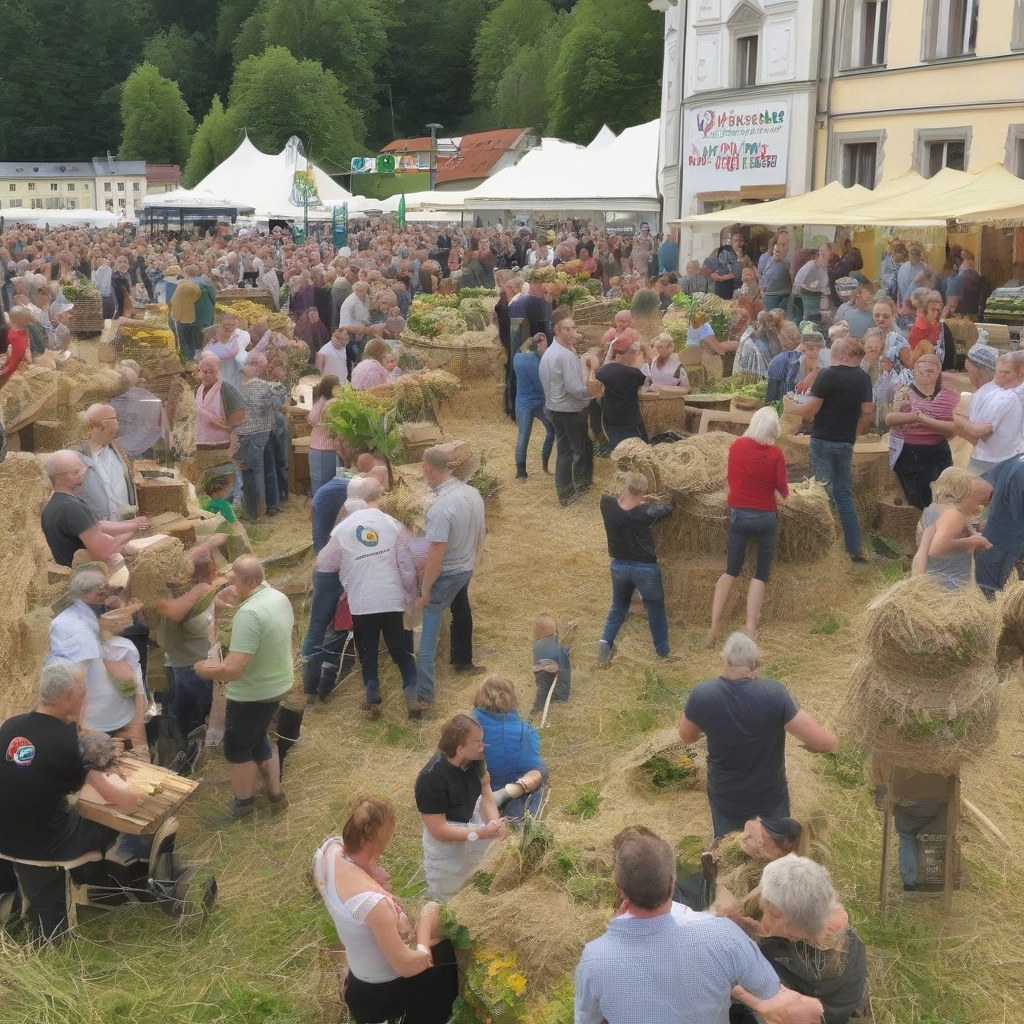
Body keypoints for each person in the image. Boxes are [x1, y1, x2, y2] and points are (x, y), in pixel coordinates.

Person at [574, 826, 825, 1024]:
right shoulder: (723, 934)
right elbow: (768, 989)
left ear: (620, 890)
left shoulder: (594, 959)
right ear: (672, 883)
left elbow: (587, 1019)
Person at [0, 661, 151, 941]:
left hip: (4, 836)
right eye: (83, 687)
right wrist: (137, 796)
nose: (86, 693)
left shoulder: (11, 725)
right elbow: (115, 798)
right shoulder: (68, 742)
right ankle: (96, 879)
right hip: (43, 845)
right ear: (70, 695)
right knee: (109, 821)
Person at [313, 798, 459, 1024]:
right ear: (374, 840)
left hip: (359, 983)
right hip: (385, 994)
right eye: (386, 841)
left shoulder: (328, 852)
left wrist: (372, 874)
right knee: (451, 970)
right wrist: (423, 930)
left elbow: (351, 863)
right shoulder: (375, 904)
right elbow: (408, 966)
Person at [679, 633, 837, 838]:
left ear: (725, 660)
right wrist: (837, 739)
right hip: (769, 800)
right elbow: (820, 742)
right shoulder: (775, 694)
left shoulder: (702, 695)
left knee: (731, 853)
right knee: (775, 856)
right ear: (755, 664)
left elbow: (687, 737)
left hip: (727, 799)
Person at [194, 556, 293, 824]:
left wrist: (205, 669)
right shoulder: (277, 597)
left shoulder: (249, 614)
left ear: (249, 581)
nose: (231, 584)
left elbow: (234, 669)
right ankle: (275, 795)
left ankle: (243, 806)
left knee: (237, 746)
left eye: (235, 579)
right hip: (278, 683)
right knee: (258, 736)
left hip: (254, 692)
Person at [732, 856, 867, 1024]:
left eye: (769, 912)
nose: (764, 919)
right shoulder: (851, 942)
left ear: (787, 921)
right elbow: (850, 1001)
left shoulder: (769, 955)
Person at [784, 338, 874, 562]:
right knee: (843, 495)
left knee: (821, 493)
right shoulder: (863, 378)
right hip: (845, 442)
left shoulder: (828, 375)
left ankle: (823, 547)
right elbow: (868, 412)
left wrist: (789, 405)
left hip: (823, 440)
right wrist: (856, 432)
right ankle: (853, 550)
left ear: (841, 356)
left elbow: (809, 412)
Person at [336, 476, 419, 717]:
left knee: (368, 652)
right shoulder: (392, 524)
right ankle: (412, 695)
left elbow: (338, 565)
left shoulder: (344, 528)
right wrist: (408, 595)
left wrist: (348, 588)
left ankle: (372, 697)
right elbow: (406, 564)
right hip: (390, 599)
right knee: (399, 650)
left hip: (362, 602)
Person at [414, 446, 487, 714]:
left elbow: (436, 554)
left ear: (430, 470)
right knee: (461, 609)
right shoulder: (473, 494)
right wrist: (472, 560)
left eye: (424, 470)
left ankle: (425, 695)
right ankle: (462, 660)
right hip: (466, 567)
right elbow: (482, 531)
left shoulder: (439, 508)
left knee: (427, 636)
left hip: (448, 572)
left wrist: (425, 591)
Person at [708, 408, 789, 647]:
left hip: (739, 515)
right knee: (760, 573)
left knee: (731, 570)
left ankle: (713, 629)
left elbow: (731, 478)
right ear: (773, 430)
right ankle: (751, 627)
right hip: (765, 518)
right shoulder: (776, 453)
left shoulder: (736, 447)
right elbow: (783, 490)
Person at [414, 714, 509, 900]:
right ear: (460, 748)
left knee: (477, 882)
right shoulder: (431, 779)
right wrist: (479, 833)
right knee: (448, 896)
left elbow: (486, 795)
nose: (483, 746)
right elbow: (439, 830)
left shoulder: (477, 760)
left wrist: (496, 823)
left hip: (471, 822)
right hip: (445, 845)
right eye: (478, 742)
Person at [596, 472, 673, 663]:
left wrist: (638, 497)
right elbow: (668, 507)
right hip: (645, 569)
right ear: (643, 493)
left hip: (619, 566)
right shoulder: (645, 513)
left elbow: (612, 496)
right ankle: (662, 651)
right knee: (655, 608)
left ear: (625, 487)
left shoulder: (606, 505)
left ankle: (605, 642)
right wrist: (651, 499)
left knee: (619, 605)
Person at [155, 552, 219, 748]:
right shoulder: (179, 598)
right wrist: (200, 589)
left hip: (186, 662)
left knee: (182, 707)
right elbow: (175, 613)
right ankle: (188, 749)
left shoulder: (193, 594)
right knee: (192, 715)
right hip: (189, 665)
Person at [40, 451, 145, 567]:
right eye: (75, 472)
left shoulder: (54, 505)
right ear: (59, 477)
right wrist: (134, 529)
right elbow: (103, 551)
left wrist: (132, 523)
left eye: (82, 470)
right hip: (86, 574)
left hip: (68, 569)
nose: (82, 476)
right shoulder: (73, 509)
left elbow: (93, 525)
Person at [884, 353, 958, 509]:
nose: (925, 375)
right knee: (916, 498)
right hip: (909, 452)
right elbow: (889, 419)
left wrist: (925, 419)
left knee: (940, 496)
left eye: (930, 371)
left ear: (938, 372)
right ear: (914, 371)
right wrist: (914, 416)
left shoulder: (950, 397)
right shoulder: (903, 391)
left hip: (937, 452)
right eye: (920, 370)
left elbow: (952, 430)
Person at [470, 675, 547, 821]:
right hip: (513, 796)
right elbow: (533, 769)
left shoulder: (466, 725)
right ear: (512, 698)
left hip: (473, 797)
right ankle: (524, 818)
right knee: (541, 770)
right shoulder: (525, 731)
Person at [540, 310, 595, 505]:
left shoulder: (551, 352)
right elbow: (575, 389)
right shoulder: (565, 356)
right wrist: (591, 392)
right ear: (557, 330)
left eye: (574, 327)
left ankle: (572, 489)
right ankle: (569, 494)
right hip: (570, 411)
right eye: (567, 329)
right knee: (571, 451)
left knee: (566, 448)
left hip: (555, 408)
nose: (572, 332)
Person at [911, 467, 990, 590]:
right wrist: (973, 542)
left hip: (931, 583)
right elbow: (937, 548)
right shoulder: (953, 515)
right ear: (963, 491)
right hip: (950, 586)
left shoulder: (932, 510)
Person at [954, 345, 1023, 475]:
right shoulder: (985, 392)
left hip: (996, 463)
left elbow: (977, 433)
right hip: (989, 459)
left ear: (978, 370)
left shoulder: (1003, 396)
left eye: (969, 370)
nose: (969, 377)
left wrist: (957, 418)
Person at [236, 355, 281, 521]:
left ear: (254, 366)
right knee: (268, 469)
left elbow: (253, 408)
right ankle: (273, 505)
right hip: (266, 431)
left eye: (246, 366)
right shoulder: (266, 386)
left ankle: (255, 512)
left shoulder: (252, 386)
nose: (242, 370)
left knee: (253, 472)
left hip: (251, 433)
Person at [974, 454, 1024, 595]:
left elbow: (984, 485)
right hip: (1005, 551)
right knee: (994, 601)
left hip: (991, 542)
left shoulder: (1015, 458)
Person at [512, 331, 554, 479]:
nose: (546, 350)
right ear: (539, 342)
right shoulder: (536, 363)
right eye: (545, 345)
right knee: (552, 430)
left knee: (523, 435)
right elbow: (543, 386)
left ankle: (521, 473)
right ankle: (545, 464)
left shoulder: (517, 357)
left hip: (522, 402)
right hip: (540, 403)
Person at [596, 337, 648, 447]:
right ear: (630, 354)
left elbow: (599, 374)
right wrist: (637, 363)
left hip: (611, 422)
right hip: (629, 424)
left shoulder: (606, 369)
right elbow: (644, 379)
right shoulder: (634, 374)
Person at [307, 375, 340, 496]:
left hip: (314, 448)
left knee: (317, 484)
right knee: (328, 486)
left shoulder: (318, 403)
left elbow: (311, 420)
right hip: (328, 449)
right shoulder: (333, 405)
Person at [792, 244, 831, 324]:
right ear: (822, 254)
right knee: (808, 323)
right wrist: (809, 287)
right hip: (808, 300)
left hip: (818, 302)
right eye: (828, 257)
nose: (829, 260)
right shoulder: (812, 266)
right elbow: (798, 283)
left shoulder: (822, 266)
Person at [702, 230, 745, 301]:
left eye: (740, 241)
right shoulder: (720, 253)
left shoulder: (744, 257)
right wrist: (722, 277)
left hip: (737, 290)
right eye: (736, 240)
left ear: (743, 243)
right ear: (731, 241)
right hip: (721, 290)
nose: (738, 243)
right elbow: (708, 271)